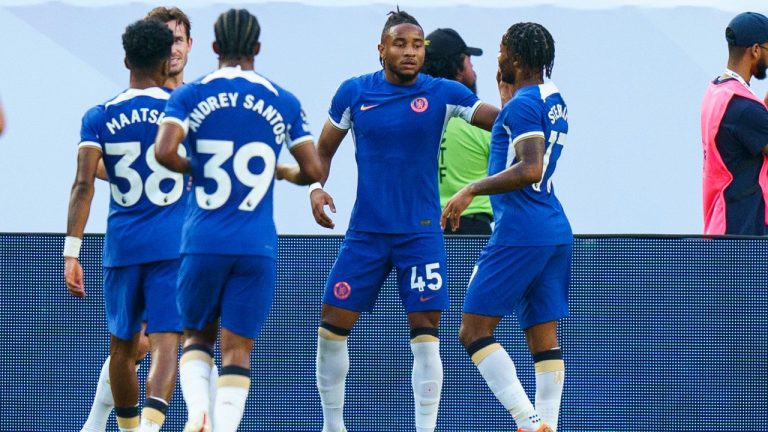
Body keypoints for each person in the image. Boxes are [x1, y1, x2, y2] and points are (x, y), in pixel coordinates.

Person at [301, 9, 498, 432]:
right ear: (381, 49)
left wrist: (530, 119)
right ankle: (333, 426)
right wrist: (315, 188)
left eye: (417, 45)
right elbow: (324, 151)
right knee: (331, 326)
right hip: (365, 236)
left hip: (420, 236)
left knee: (426, 337)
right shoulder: (354, 93)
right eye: (400, 44)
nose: (410, 52)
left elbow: (498, 120)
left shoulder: (444, 93)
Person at [154, 8, 322, 432]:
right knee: (238, 350)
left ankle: (198, 415)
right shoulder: (282, 98)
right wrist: (284, 172)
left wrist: (199, 167)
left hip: (202, 238)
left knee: (196, 335)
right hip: (256, 243)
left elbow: (163, 151)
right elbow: (314, 170)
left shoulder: (190, 94)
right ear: (257, 49)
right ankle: (224, 426)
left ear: (212, 48)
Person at [442, 22, 569, 432]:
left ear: (514, 57)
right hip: (553, 227)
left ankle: (528, 422)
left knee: (473, 329)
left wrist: (471, 189)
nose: (496, 58)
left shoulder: (521, 107)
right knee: (542, 337)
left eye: (500, 50)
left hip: (520, 229)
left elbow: (530, 168)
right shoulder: (552, 98)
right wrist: (507, 99)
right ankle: (547, 424)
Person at [80, 7, 200, 432]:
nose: (172, 46)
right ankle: (102, 421)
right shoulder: (174, 110)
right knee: (155, 342)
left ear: (188, 45)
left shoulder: (193, 102)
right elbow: (96, 170)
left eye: (178, 38)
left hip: (169, 238)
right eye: (164, 38)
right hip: (165, 240)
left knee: (151, 341)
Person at [701, 11, 768, 235]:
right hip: (744, 234)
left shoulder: (717, 91)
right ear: (756, 50)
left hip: (723, 228)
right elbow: (754, 121)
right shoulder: (745, 109)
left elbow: (753, 126)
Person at [422, 28, 493, 235]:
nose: (474, 70)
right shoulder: (483, 123)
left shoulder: (413, 120)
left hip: (424, 231)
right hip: (473, 229)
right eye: (469, 61)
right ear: (458, 68)